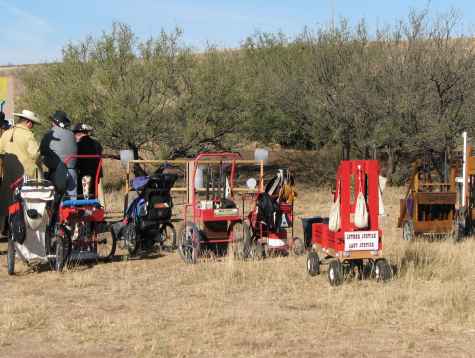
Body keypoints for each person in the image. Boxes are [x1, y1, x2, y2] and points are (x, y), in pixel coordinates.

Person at [0, 109, 42, 234]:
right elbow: (35, 154)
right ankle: (24, 230)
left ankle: (5, 228)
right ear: (28, 122)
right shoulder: (28, 135)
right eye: (32, 124)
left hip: (8, 175)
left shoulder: (7, 133)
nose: (32, 126)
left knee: (8, 202)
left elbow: (1, 151)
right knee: (26, 204)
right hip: (25, 176)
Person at [40, 111, 78, 198]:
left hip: (57, 173)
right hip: (72, 172)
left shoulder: (49, 134)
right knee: (71, 202)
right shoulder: (71, 134)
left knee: (55, 201)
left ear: (54, 122)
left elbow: (41, 152)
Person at [72, 123, 103, 198]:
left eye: (74, 134)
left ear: (78, 133)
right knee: (92, 194)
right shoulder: (97, 143)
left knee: (81, 195)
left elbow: (75, 161)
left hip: (83, 175)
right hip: (96, 174)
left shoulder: (78, 145)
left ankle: (82, 207)